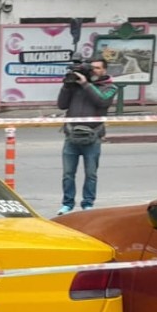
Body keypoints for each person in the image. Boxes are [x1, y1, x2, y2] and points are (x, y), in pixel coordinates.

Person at [57, 57, 121, 215]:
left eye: (98, 68)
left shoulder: (110, 86)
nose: (94, 71)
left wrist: (86, 84)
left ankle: (88, 204)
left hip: (93, 137)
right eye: (91, 68)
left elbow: (102, 101)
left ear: (104, 70)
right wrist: (67, 85)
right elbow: (62, 104)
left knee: (91, 174)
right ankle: (67, 204)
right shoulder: (76, 86)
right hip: (72, 136)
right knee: (68, 174)